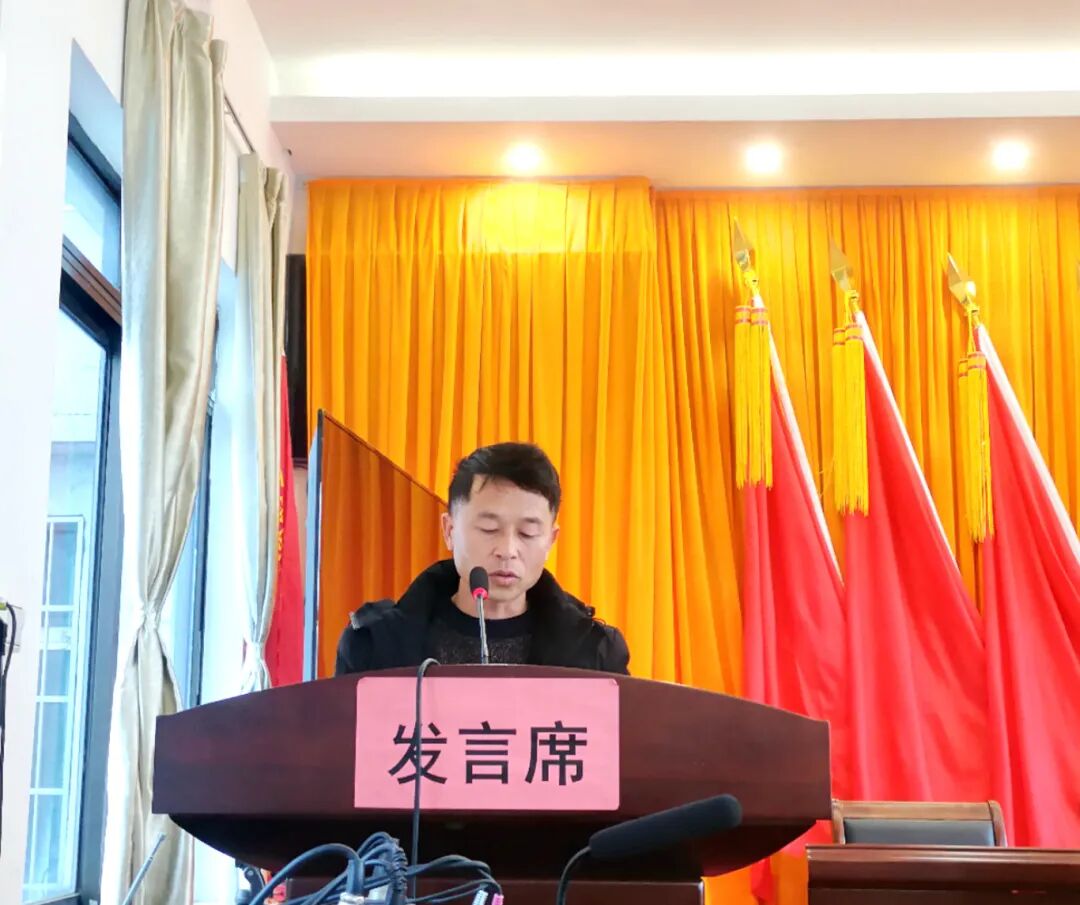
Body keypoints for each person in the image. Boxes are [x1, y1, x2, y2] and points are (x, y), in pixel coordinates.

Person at [335, 442, 629, 675]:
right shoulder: (374, 646)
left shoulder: (595, 654)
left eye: (527, 533)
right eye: (489, 529)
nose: (507, 550)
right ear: (449, 531)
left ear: (551, 541)